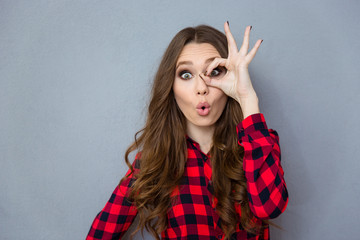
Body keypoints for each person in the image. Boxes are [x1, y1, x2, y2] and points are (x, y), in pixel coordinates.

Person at [86, 21, 288, 240]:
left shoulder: (259, 143)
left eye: (215, 71)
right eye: (186, 75)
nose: (201, 88)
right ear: (171, 88)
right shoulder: (155, 159)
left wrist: (247, 98)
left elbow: (269, 208)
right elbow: (102, 232)